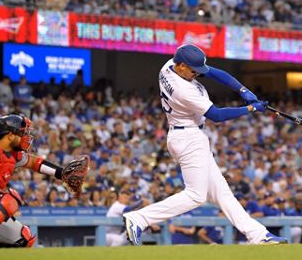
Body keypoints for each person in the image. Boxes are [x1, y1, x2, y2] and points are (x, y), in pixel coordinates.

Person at [123, 44, 287, 245]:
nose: (197, 74)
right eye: (194, 70)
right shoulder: (182, 90)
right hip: (188, 137)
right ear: (182, 66)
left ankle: (258, 235)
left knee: (222, 193)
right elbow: (216, 115)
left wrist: (242, 89)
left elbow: (214, 73)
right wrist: (250, 108)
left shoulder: (170, 65)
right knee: (196, 196)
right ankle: (139, 218)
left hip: (186, 135)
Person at [0, 114, 72, 249]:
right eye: (22, 133)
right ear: (10, 135)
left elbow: (34, 162)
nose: (26, 137)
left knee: (24, 238)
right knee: (8, 198)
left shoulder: (12, 154)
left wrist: (63, 173)